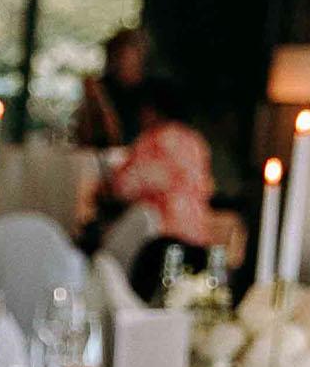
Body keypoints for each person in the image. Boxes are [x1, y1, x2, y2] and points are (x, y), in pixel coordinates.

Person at [104, 79, 215, 248]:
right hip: (196, 239)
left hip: (160, 243)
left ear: (153, 110)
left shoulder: (152, 140)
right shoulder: (195, 142)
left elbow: (123, 187)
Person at [74, 26, 151, 151]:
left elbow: (118, 139)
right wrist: (90, 100)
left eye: (122, 55)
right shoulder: (104, 85)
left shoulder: (149, 91)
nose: (117, 61)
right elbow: (83, 138)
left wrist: (102, 100)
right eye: (114, 55)